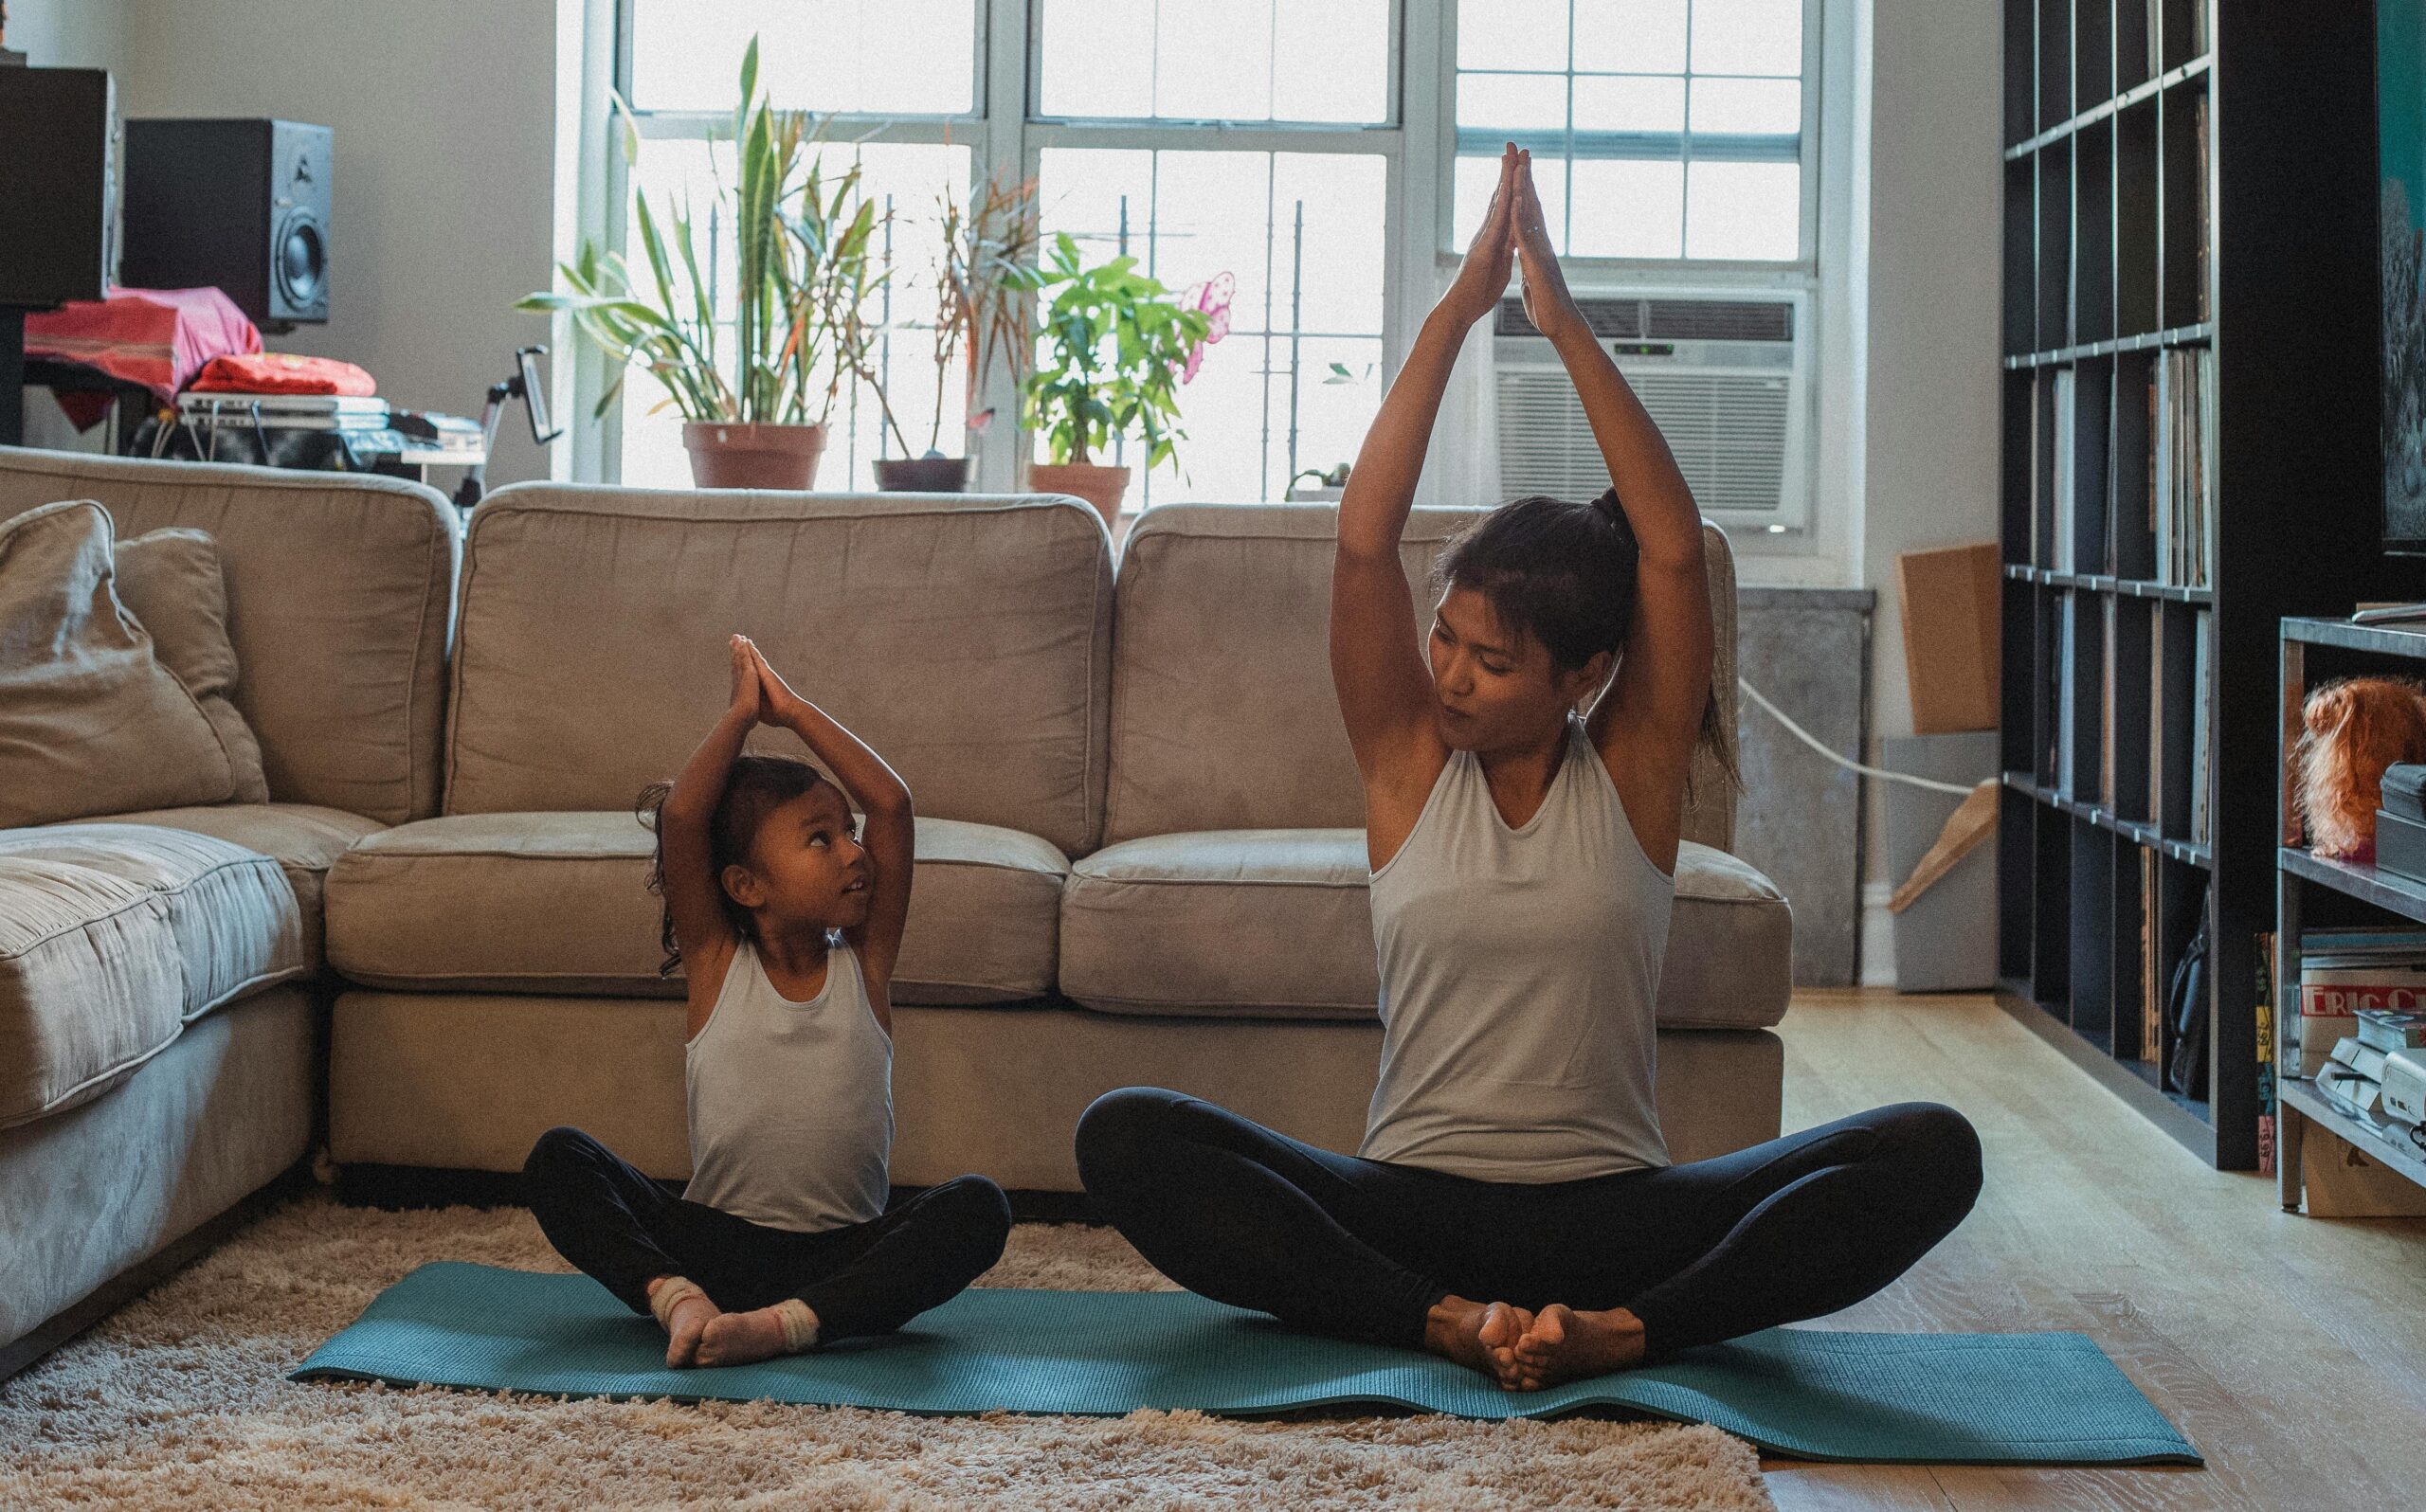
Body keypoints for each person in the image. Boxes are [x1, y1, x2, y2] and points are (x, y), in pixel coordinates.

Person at [1075, 145, 1982, 1391]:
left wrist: (1560, 323)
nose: (1446, 674)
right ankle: (1440, 1320)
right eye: (1443, 638)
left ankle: (1627, 1332)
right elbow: (1360, 543)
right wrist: (1457, 312)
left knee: (1934, 1148)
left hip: (1617, 1218)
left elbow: (1671, 552)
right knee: (1125, 1138)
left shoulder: (1635, 772)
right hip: (1407, 1204)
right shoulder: (1406, 763)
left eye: (1489, 662)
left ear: (1585, 674)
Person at [524, 635, 1010, 1369]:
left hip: (846, 1256)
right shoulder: (719, 965)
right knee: (559, 1159)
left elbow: (893, 805)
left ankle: (787, 1326)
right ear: (746, 886)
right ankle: (677, 1299)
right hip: (714, 1245)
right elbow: (684, 821)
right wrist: (738, 719)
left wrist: (793, 711)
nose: (854, 852)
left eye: (847, 833)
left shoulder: (866, 965)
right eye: (820, 840)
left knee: (978, 1207)